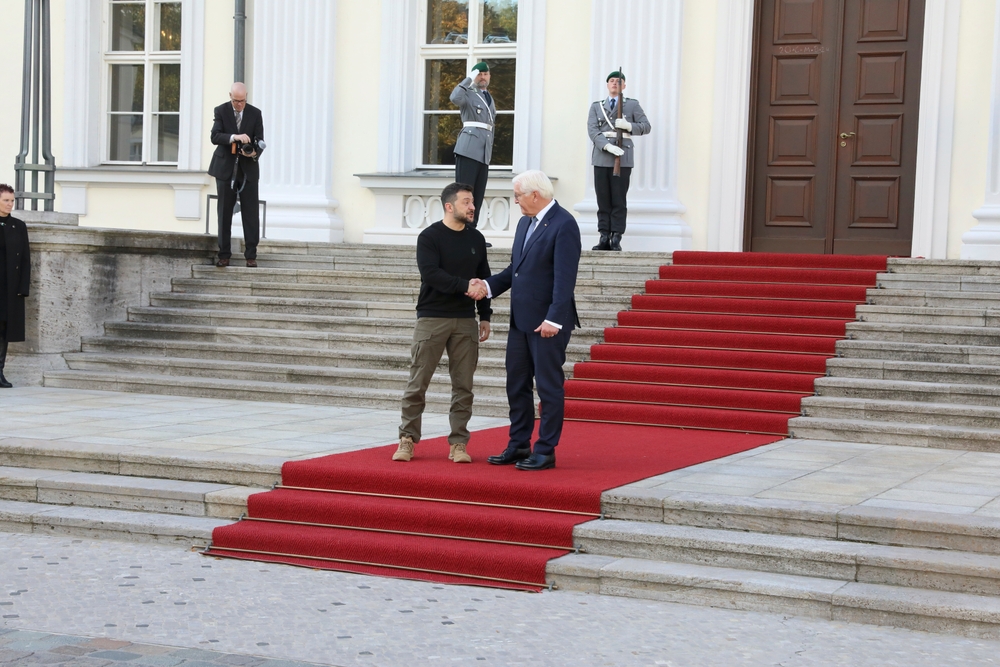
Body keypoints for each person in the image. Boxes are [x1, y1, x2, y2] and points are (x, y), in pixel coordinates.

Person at [467, 171, 581, 471]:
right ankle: (519, 444)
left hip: (547, 323)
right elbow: (515, 270)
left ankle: (545, 450)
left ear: (535, 195)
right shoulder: (524, 223)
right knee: (516, 384)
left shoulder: (564, 224)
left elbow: (565, 279)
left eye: (518, 195)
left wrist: (554, 319)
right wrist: (487, 286)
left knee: (548, 387)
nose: (515, 200)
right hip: (521, 321)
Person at [393, 182, 493, 464]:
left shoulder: (476, 239)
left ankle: (458, 443)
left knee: (464, 387)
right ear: (449, 206)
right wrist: (465, 286)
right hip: (432, 318)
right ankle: (407, 439)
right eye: (466, 202)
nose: (472, 207)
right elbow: (431, 274)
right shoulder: (430, 236)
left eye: (472, 201)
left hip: (465, 320)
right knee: (417, 383)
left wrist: (485, 315)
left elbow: (484, 278)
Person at [587, 71, 651, 252]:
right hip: (602, 156)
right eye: (612, 81)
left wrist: (629, 126)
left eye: (619, 81)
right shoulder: (597, 106)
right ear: (607, 85)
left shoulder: (632, 105)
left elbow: (646, 126)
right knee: (603, 199)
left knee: (618, 199)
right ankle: (604, 235)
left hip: (622, 157)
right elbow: (592, 130)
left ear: (624, 86)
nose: (615, 83)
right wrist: (607, 146)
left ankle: (616, 236)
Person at [209, 82, 266, 268]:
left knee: (251, 214)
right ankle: (224, 254)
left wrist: (253, 152)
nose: (239, 105)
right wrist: (235, 137)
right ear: (230, 96)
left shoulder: (255, 113)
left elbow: (260, 140)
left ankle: (251, 255)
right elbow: (215, 136)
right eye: (235, 101)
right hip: (225, 169)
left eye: (242, 101)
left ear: (246, 97)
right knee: (224, 213)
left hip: (248, 170)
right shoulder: (221, 111)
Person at [450, 62, 496, 232]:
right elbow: (454, 98)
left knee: (477, 195)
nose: (482, 77)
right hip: (468, 150)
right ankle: (460, 231)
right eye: (479, 74)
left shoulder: (488, 97)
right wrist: (468, 78)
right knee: (464, 194)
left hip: (484, 152)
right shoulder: (469, 92)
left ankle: (472, 232)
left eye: (485, 74)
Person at [0, 184, 31, 389]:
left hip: (9, 286)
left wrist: (23, 287)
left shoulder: (18, 226)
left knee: (4, 328)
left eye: (12, 200)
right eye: (6, 200)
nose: (10, 204)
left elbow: (26, 259)